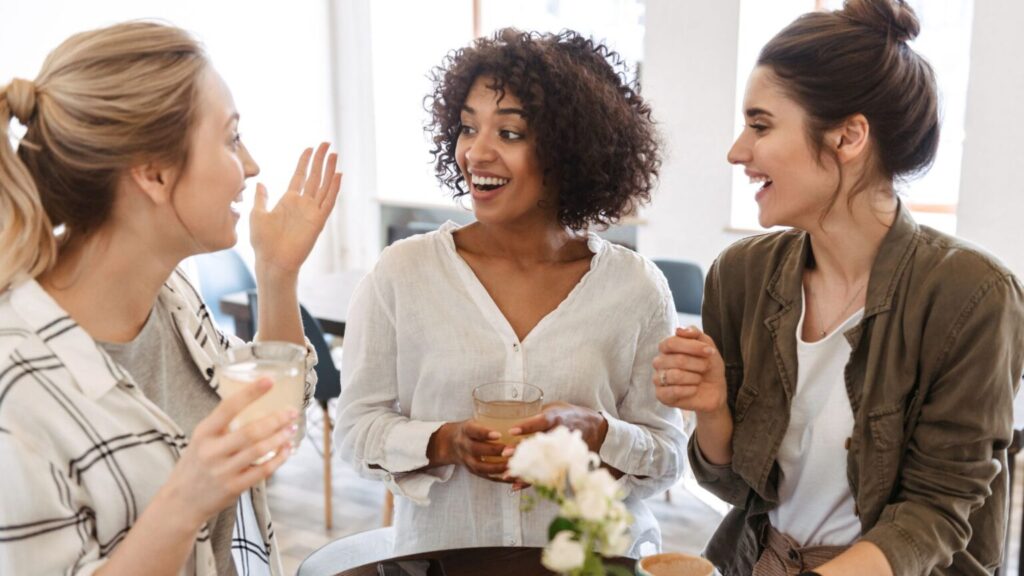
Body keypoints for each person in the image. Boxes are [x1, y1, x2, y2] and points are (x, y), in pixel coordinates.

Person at [652, 1, 1024, 575]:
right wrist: (712, 409)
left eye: (760, 124)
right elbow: (734, 485)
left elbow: (937, 512)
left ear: (849, 136)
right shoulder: (740, 275)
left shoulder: (973, 295)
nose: (736, 152)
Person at [0, 22, 341, 575]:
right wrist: (184, 501)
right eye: (231, 139)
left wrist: (277, 274)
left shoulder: (172, 301)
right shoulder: (16, 387)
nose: (251, 166)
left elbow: (266, 416)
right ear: (154, 173)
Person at [336, 29, 685, 556]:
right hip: (445, 562)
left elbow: (667, 457)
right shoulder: (404, 273)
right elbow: (355, 431)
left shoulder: (635, 289)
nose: (476, 152)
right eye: (468, 127)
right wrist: (442, 442)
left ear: (570, 149)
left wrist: (598, 433)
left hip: (594, 564)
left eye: (510, 134)